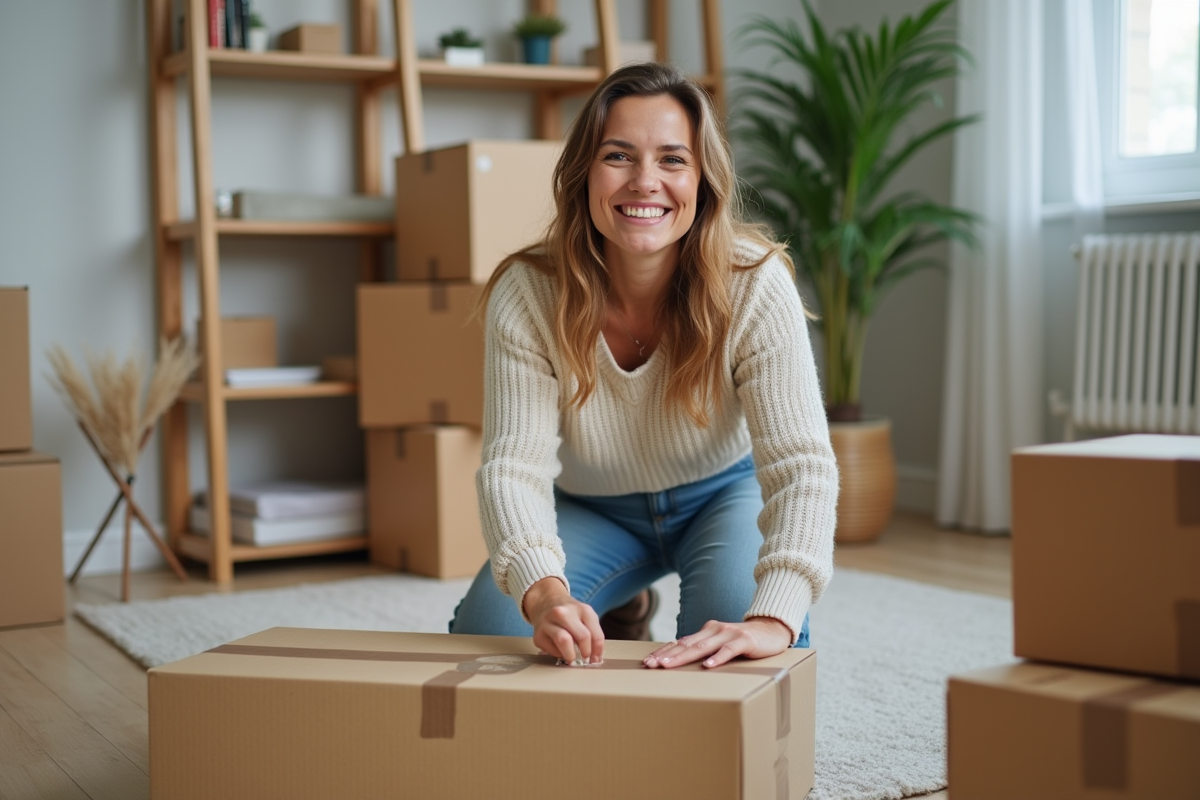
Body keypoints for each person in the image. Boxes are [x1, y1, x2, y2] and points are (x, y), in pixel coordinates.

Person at [449, 61, 838, 670]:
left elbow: (802, 466)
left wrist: (774, 617)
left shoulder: (754, 281)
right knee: (491, 638)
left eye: (673, 159)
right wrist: (545, 593)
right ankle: (619, 606)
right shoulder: (528, 291)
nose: (645, 181)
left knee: (731, 656)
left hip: (722, 493)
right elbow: (513, 466)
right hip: (595, 504)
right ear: (583, 172)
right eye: (618, 156)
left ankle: (630, 605)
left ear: (703, 179)